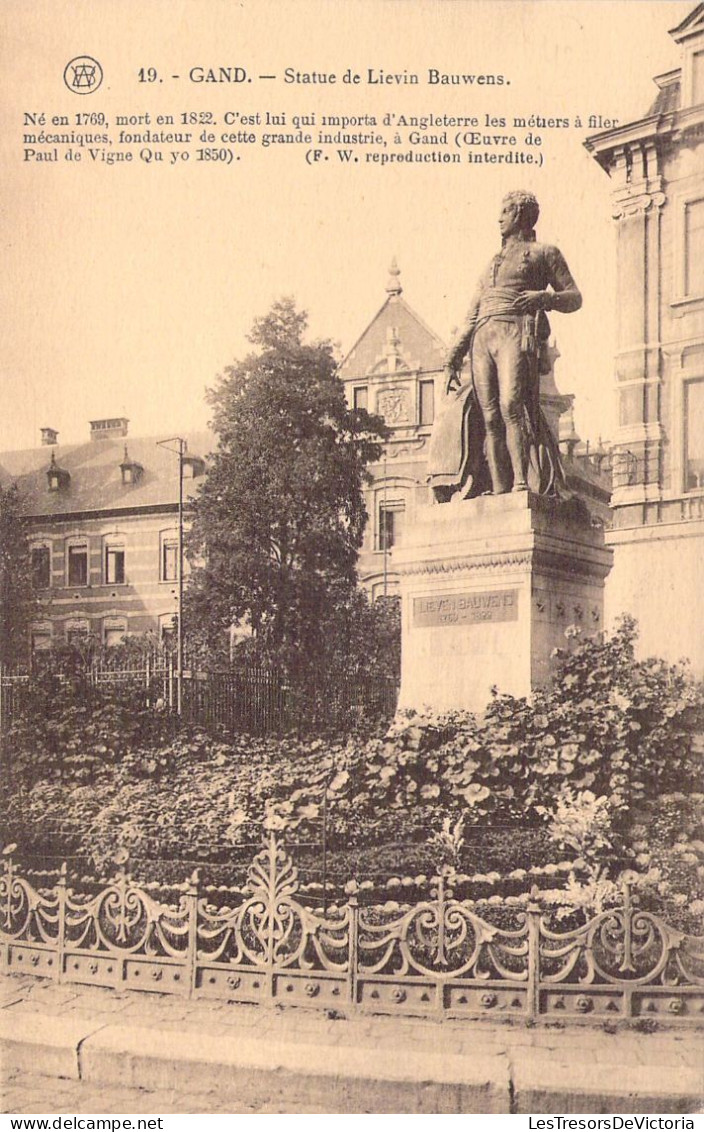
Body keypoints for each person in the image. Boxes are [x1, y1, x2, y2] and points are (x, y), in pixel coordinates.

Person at [428, 191, 582, 499]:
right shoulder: (491, 265)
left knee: (512, 407)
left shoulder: (543, 252)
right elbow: (471, 313)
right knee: (489, 416)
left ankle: (522, 486)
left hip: (515, 330)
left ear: (521, 216)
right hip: (483, 337)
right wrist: (451, 359)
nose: (499, 217)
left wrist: (545, 298)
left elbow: (575, 297)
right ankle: (500, 490)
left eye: (506, 211)